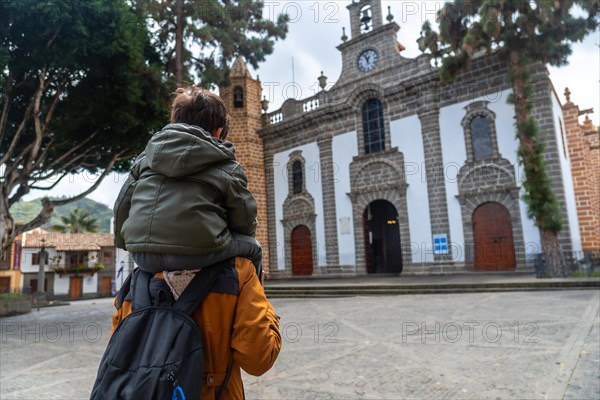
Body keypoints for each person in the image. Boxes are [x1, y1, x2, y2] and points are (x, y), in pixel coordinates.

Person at [113, 86, 263, 290]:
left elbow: (121, 206)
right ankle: (254, 306)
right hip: (198, 253)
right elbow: (244, 219)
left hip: (142, 254)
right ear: (219, 131)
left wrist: (127, 243)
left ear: (175, 123)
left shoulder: (145, 158)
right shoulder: (228, 167)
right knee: (253, 248)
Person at [110, 256, 281, 399]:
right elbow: (257, 361)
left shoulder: (134, 282)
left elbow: (117, 359)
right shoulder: (239, 271)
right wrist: (262, 304)